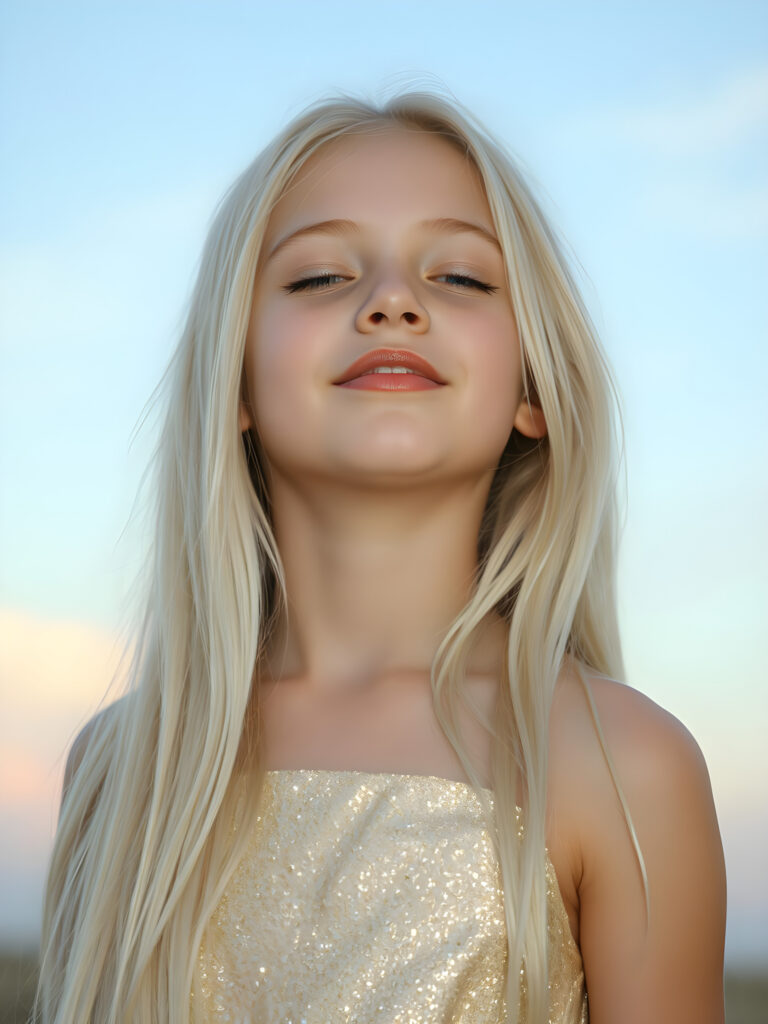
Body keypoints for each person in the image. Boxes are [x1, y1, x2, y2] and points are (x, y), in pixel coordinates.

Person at [36, 91, 726, 1023]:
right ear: (235, 382)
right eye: (321, 276)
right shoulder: (124, 772)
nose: (392, 301)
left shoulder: (627, 767)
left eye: (462, 277)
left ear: (533, 388)